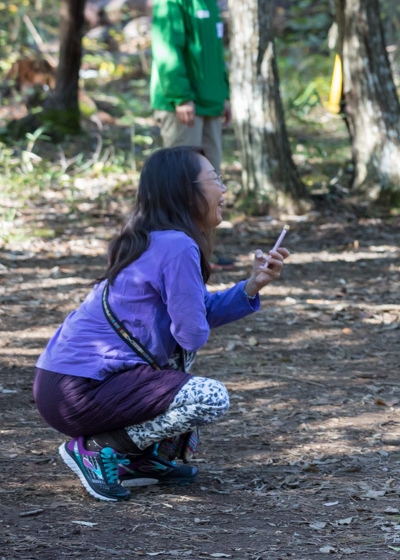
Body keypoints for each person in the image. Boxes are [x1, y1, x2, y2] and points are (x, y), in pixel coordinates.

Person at [33, 147, 290, 502]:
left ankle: (140, 462)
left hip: (56, 385)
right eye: (216, 179)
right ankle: (96, 448)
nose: (224, 190)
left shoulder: (149, 237)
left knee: (180, 380)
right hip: (82, 389)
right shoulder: (179, 246)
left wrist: (252, 285)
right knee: (210, 397)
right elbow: (191, 333)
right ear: (187, 191)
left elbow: (192, 313)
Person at [150, 0, 230, 173]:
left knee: (210, 187)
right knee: (184, 189)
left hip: (209, 103)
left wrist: (223, 94)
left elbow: (213, 49)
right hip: (182, 107)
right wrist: (181, 97)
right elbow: (167, 48)